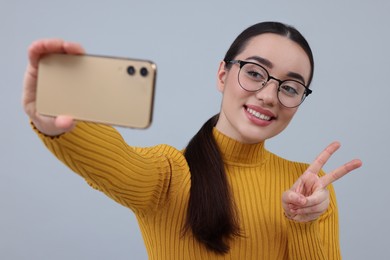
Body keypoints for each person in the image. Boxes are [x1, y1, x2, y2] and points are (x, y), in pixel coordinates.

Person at [23, 21, 362, 259]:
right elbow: (117, 162)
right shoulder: (168, 174)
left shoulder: (312, 189)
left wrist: (303, 222)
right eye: (256, 73)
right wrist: (60, 127)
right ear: (223, 74)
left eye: (290, 87)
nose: (270, 95)